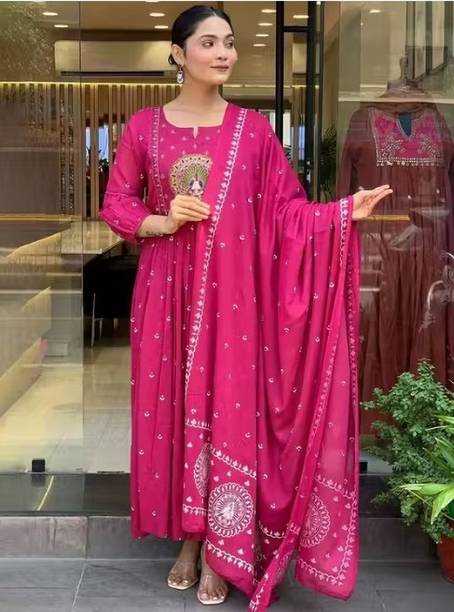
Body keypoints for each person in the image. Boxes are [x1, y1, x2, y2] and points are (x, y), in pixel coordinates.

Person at [99, 5, 392, 610]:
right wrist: (161, 219)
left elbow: (286, 212)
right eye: (209, 43)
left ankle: (218, 548)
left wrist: (341, 213)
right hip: (166, 295)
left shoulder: (253, 132)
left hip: (235, 300)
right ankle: (187, 538)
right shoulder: (145, 128)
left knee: (225, 407)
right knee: (174, 406)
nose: (224, 53)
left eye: (229, 42)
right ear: (178, 53)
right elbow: (117, 202)